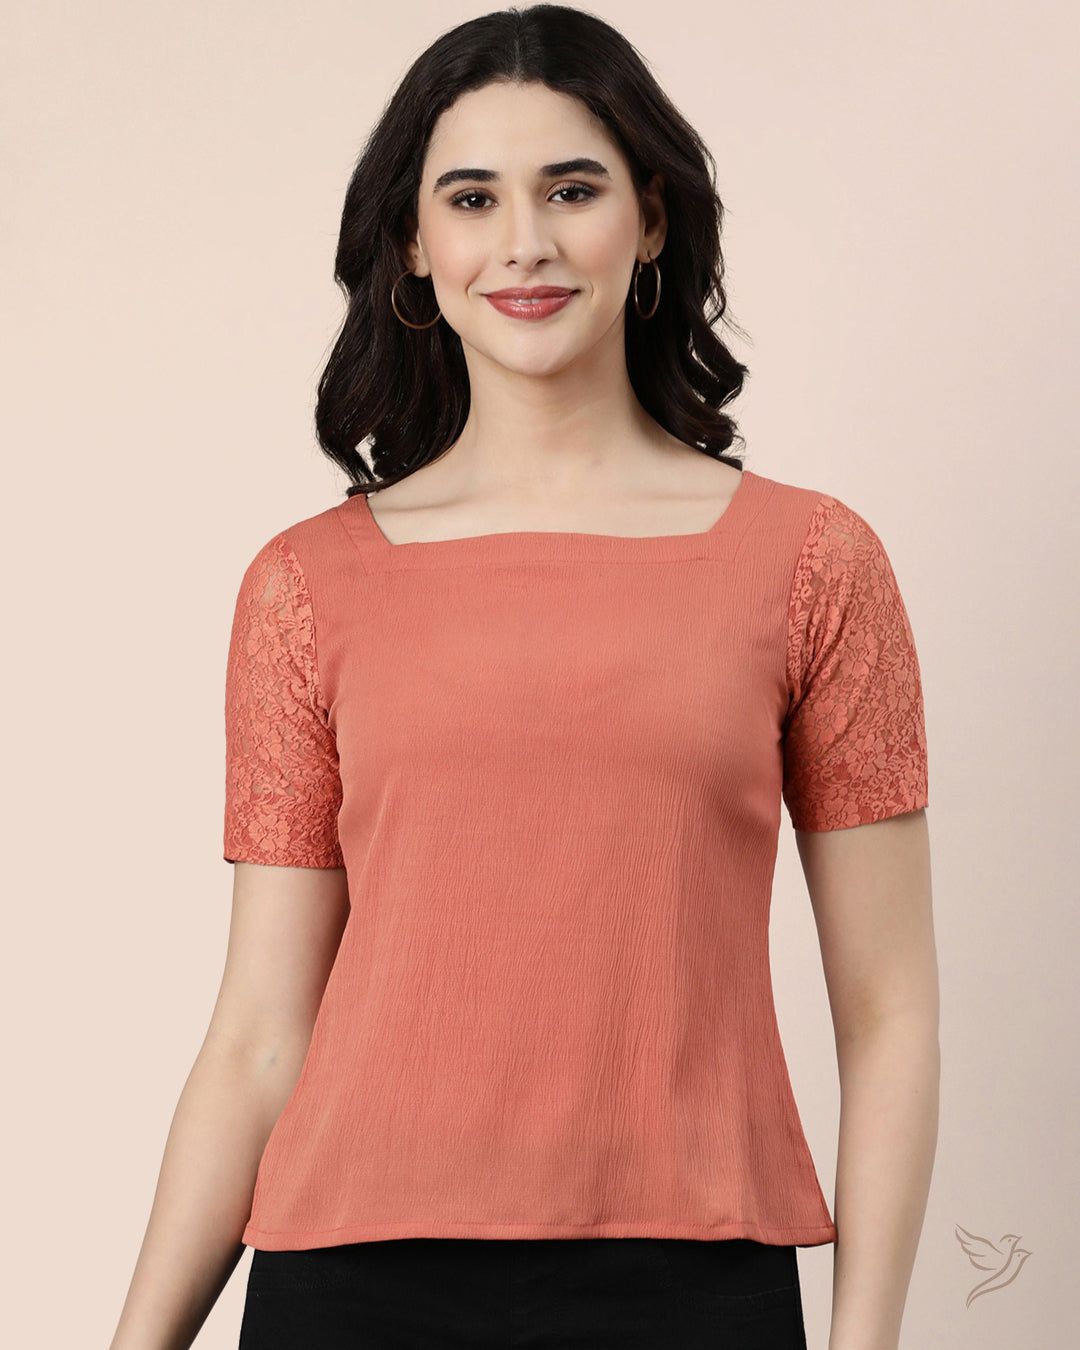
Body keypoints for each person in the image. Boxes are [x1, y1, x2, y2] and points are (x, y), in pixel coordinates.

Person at [109, 6, 940, 1349]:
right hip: (349, 1287)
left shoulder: (811, 563)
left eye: (571, 190)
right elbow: (260, 1030)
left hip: (691, 1284)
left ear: (650, 221)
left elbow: (891, 1013)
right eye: (472, 198)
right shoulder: (305, 585)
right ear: (414, 246)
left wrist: (868, 1340)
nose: (524, 243)